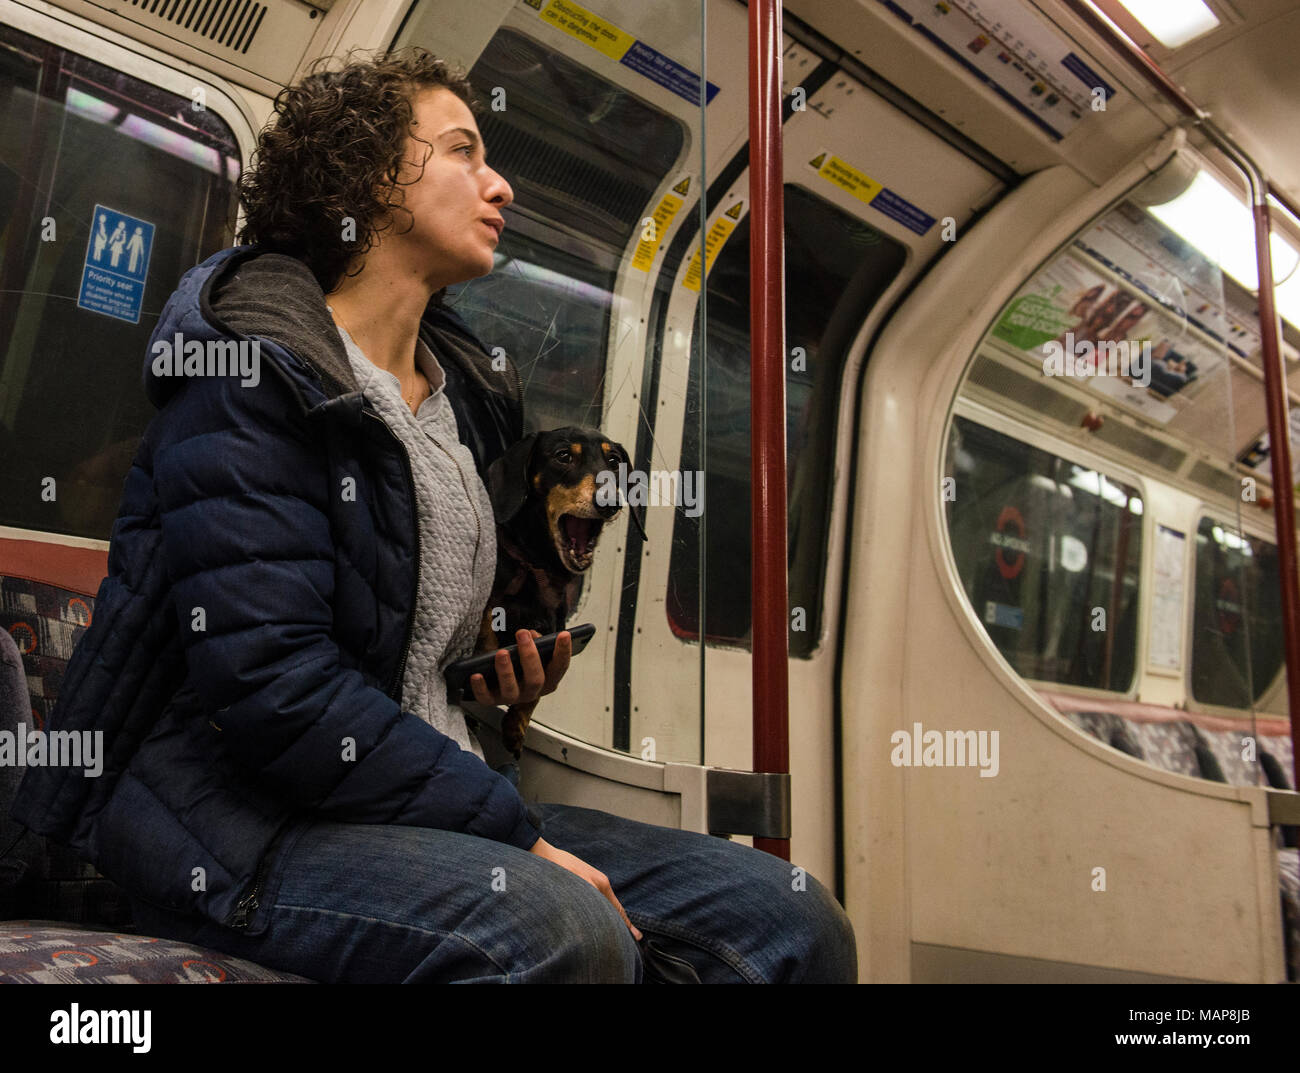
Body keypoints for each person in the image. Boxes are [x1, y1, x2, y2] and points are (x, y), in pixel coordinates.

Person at [9, 47, 855, 983]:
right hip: (237, 821)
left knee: (790, 917)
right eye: (464, 151)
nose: (498, 185)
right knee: (562, 929)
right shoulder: (252, 369)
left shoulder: (465, 402)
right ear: (371, 179)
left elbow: (399, 647)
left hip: (415, 798)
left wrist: (492, 687)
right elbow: (274, 685)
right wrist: (516, 839)